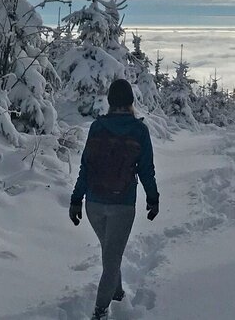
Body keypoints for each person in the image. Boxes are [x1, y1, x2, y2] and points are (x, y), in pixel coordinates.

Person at [69, 79, 160, 320]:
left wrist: (76, 199)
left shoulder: (97, 127)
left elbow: (86, 166)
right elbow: (146, 169)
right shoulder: (139, 130)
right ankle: (100, 312)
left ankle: (117, 294)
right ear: (131, 101)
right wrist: (153, 198)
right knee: (112, 259)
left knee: (110, 252)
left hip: (94, 204)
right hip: (122, 205)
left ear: (109, 102)